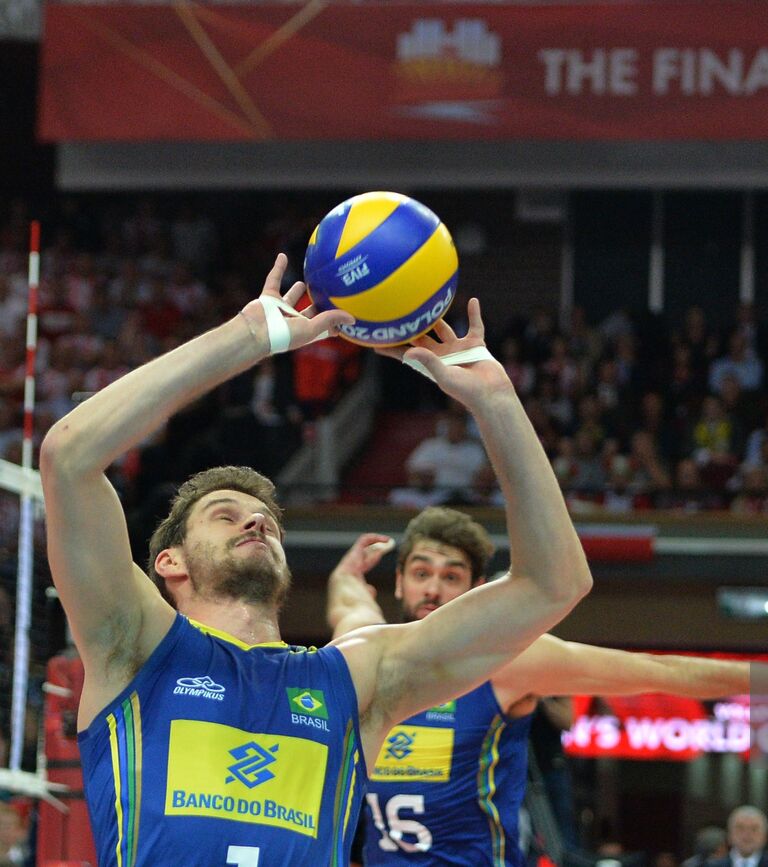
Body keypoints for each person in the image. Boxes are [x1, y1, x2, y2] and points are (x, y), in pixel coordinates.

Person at [41, 256, 594, 866]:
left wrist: (495, 402)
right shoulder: (134, 644)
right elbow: (68, 457)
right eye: (226, 515)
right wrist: (247, 339)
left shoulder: (358, 680)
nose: (255, 520)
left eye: (267, 521)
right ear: (169, 562)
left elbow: (554, 583)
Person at [327, 510, 768, 866]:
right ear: (399, 583)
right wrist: (346, 573)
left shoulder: (507, 661)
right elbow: (348, 601)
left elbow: (651, 671)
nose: (433, 590)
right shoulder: (372, 655)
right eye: (420, 574)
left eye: (451, 576)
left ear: (475, 590)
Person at [702, 805, 768, 867]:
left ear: (765, 836)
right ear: (729, 835)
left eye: (754, 829)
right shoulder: (711, 865)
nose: (747, 834)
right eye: (740, 828)